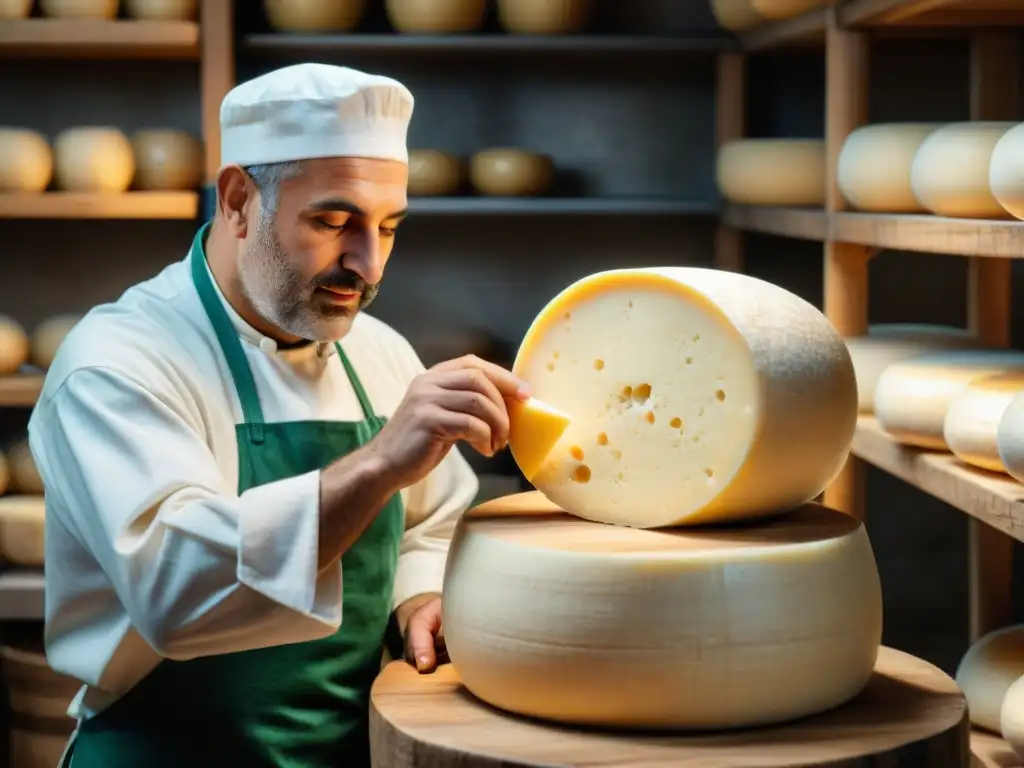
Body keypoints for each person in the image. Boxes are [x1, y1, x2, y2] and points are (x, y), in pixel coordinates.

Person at [27, 62, 530, 768]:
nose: (370, 264)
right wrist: (380, 462)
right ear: (237, 199)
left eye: (389, 227)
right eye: (333, 221)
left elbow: (429, 523)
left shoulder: (381, 354)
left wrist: (418, 598)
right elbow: (176, 591)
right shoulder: (117, 362)